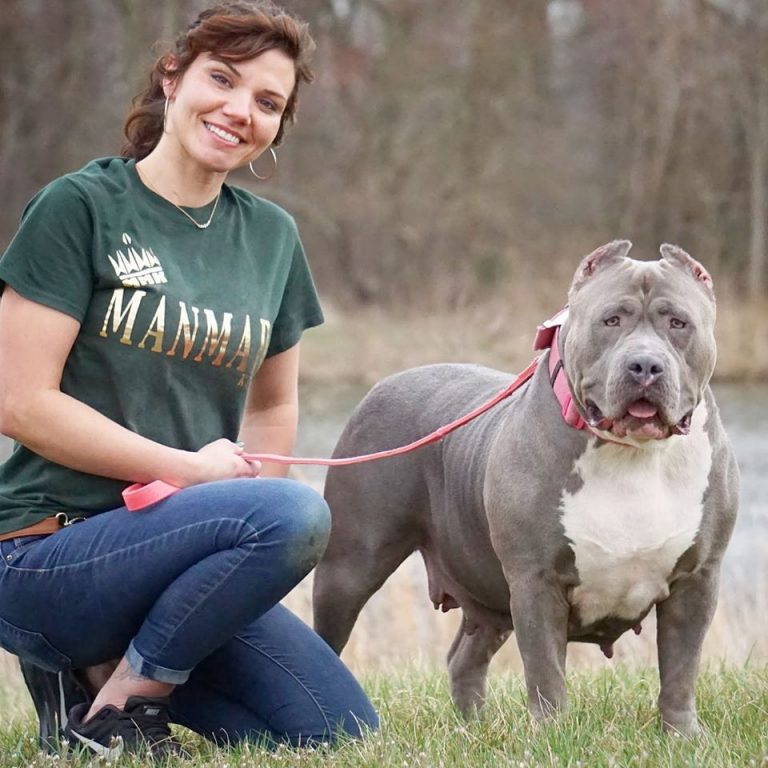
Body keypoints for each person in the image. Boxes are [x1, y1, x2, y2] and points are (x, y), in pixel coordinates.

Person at [0, 0, 377, 759]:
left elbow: (274, 405)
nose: (240, 110)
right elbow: (19, 401)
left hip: (181, 564)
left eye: (267, 102)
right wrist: (197, 477)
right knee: (294, 514)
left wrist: (244, 523)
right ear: (172, 79)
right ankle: (117, 701)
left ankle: (109, 690)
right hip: (47, 551)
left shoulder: (272, 240)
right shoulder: (81, 208)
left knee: (335, 732)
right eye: (222, 79)